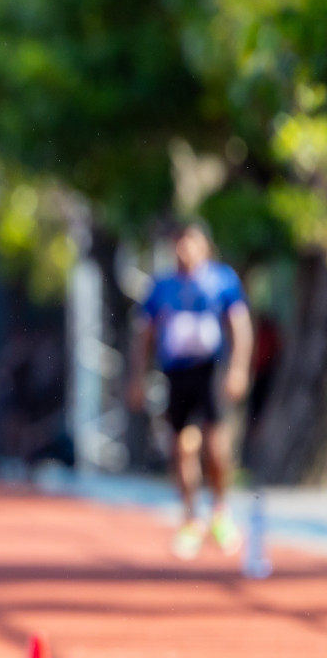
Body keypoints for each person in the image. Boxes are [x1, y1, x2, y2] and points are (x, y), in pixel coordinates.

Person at [127, 222, 253, 559]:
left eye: (192, 243)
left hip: (209, 370)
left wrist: (239, 368)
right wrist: (137, 376)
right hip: (176, 372)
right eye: (180, 244)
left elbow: (240, 325)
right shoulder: (161, 286)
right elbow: (145, 334)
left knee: (215, 444)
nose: (185, 250)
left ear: (205, 247)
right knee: (182, 447)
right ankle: (189, 518)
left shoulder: (222, 280)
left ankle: (221, 511)